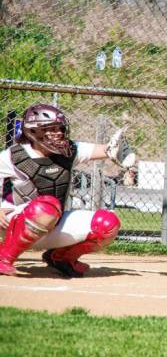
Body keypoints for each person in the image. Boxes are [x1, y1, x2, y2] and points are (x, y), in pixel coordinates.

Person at [0, 103, 136, 277]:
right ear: (33, 131)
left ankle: (61, 257)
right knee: (46, 206)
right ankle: (4, 256)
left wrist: (113, 150)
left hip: (50, 223)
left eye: (60, 128)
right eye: (51, 129)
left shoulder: (68, 151)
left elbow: (104, 150)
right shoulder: (12, 157)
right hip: (10, 224)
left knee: (107, 223)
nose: (58, 133)